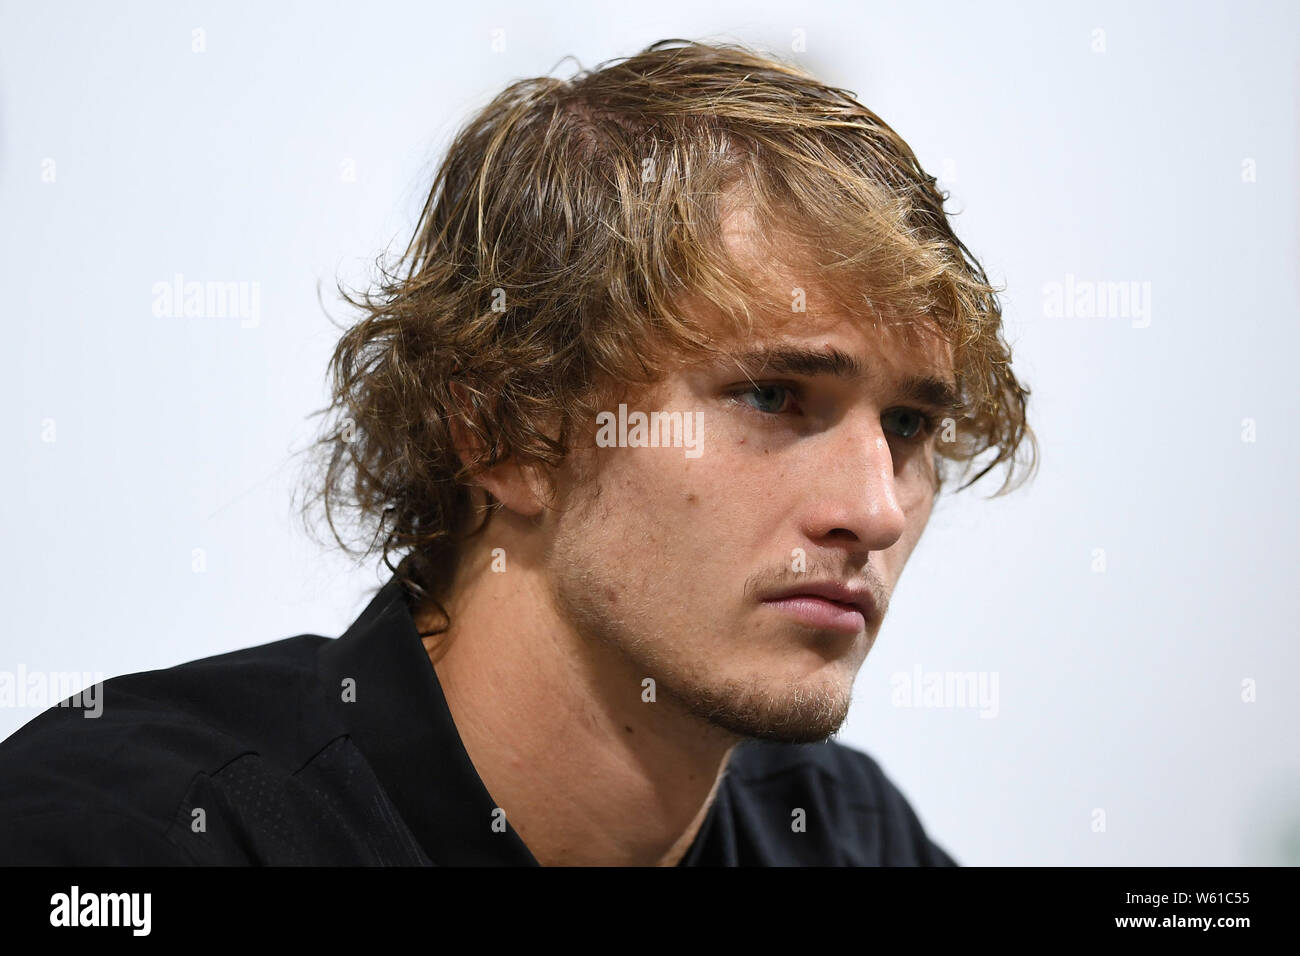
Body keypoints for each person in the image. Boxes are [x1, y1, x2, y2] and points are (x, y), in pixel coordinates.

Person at [0, 38, 1035, 866]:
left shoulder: (843, 831)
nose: (876, 508)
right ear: (501, 429)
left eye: (908, 425)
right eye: (771, 395)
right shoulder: (129, 838)